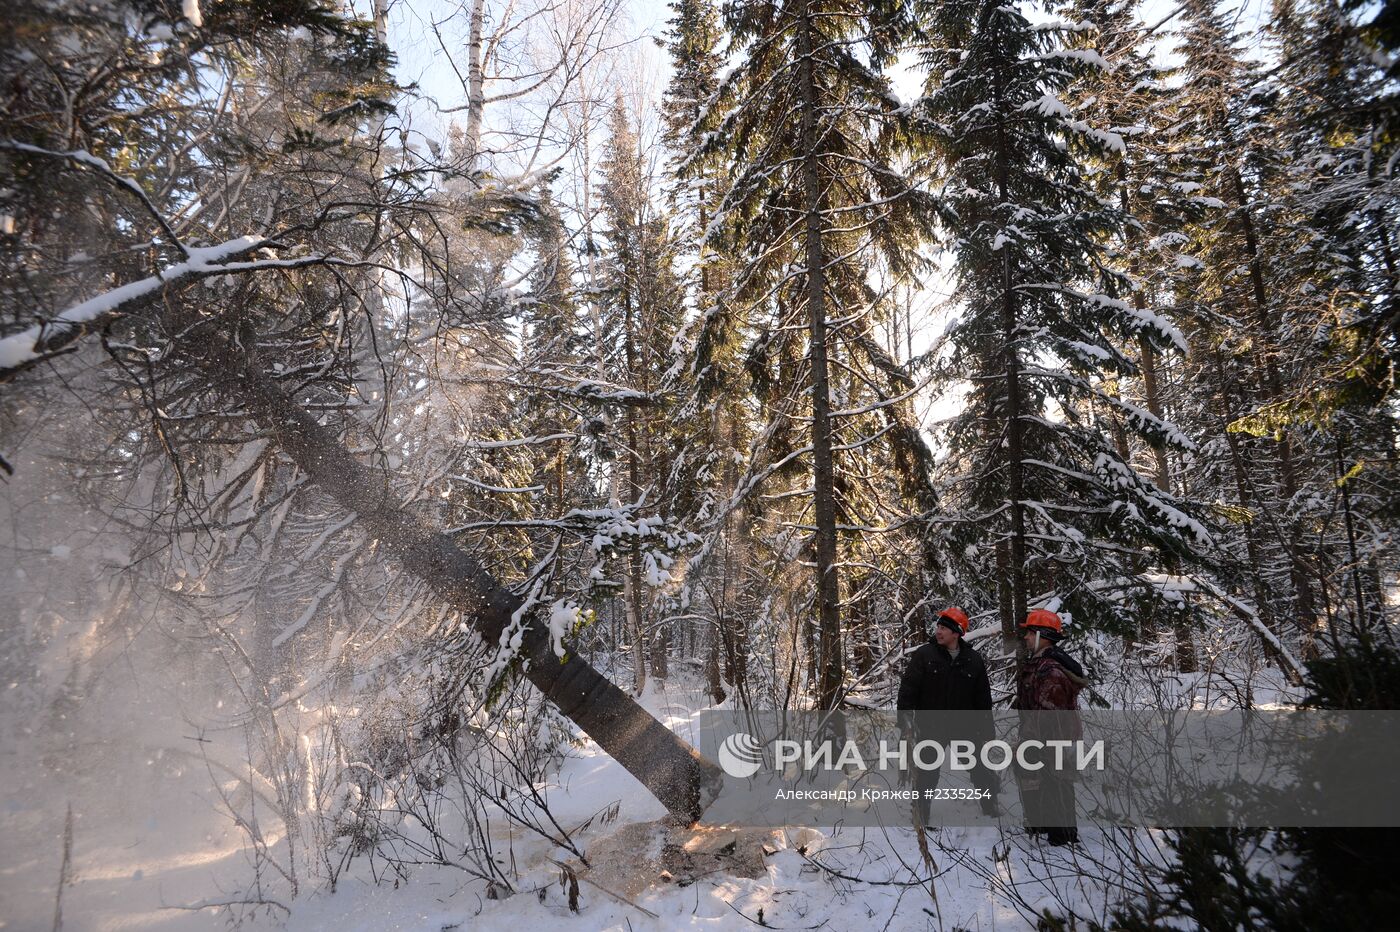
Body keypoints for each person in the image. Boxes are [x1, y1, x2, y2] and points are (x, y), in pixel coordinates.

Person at [897, 606, 999, 824]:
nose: (939, 631)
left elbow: (983, 699)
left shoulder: (973, 659)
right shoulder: (924, 655)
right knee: (927, 773)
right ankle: (921, 814)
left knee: (980, 769)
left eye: (944, 628)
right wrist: (905, 720)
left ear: (956, 633)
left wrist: (987, 732)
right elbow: (908, 690)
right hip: (931, 726)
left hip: (965, 727)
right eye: (938, 627)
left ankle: (990, 809)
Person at [1012, 609, 1087, 847]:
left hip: (1054, 739)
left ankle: (1063, 843)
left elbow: (1049, 713)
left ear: (1042, 635)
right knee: (1042, 782)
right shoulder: (1040, 665)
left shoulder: (1051, 671)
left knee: (1057, 784)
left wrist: (1033, 741)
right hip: (1042, 738)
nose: (1025, 637)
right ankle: (1045, 828)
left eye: (1029, 632)